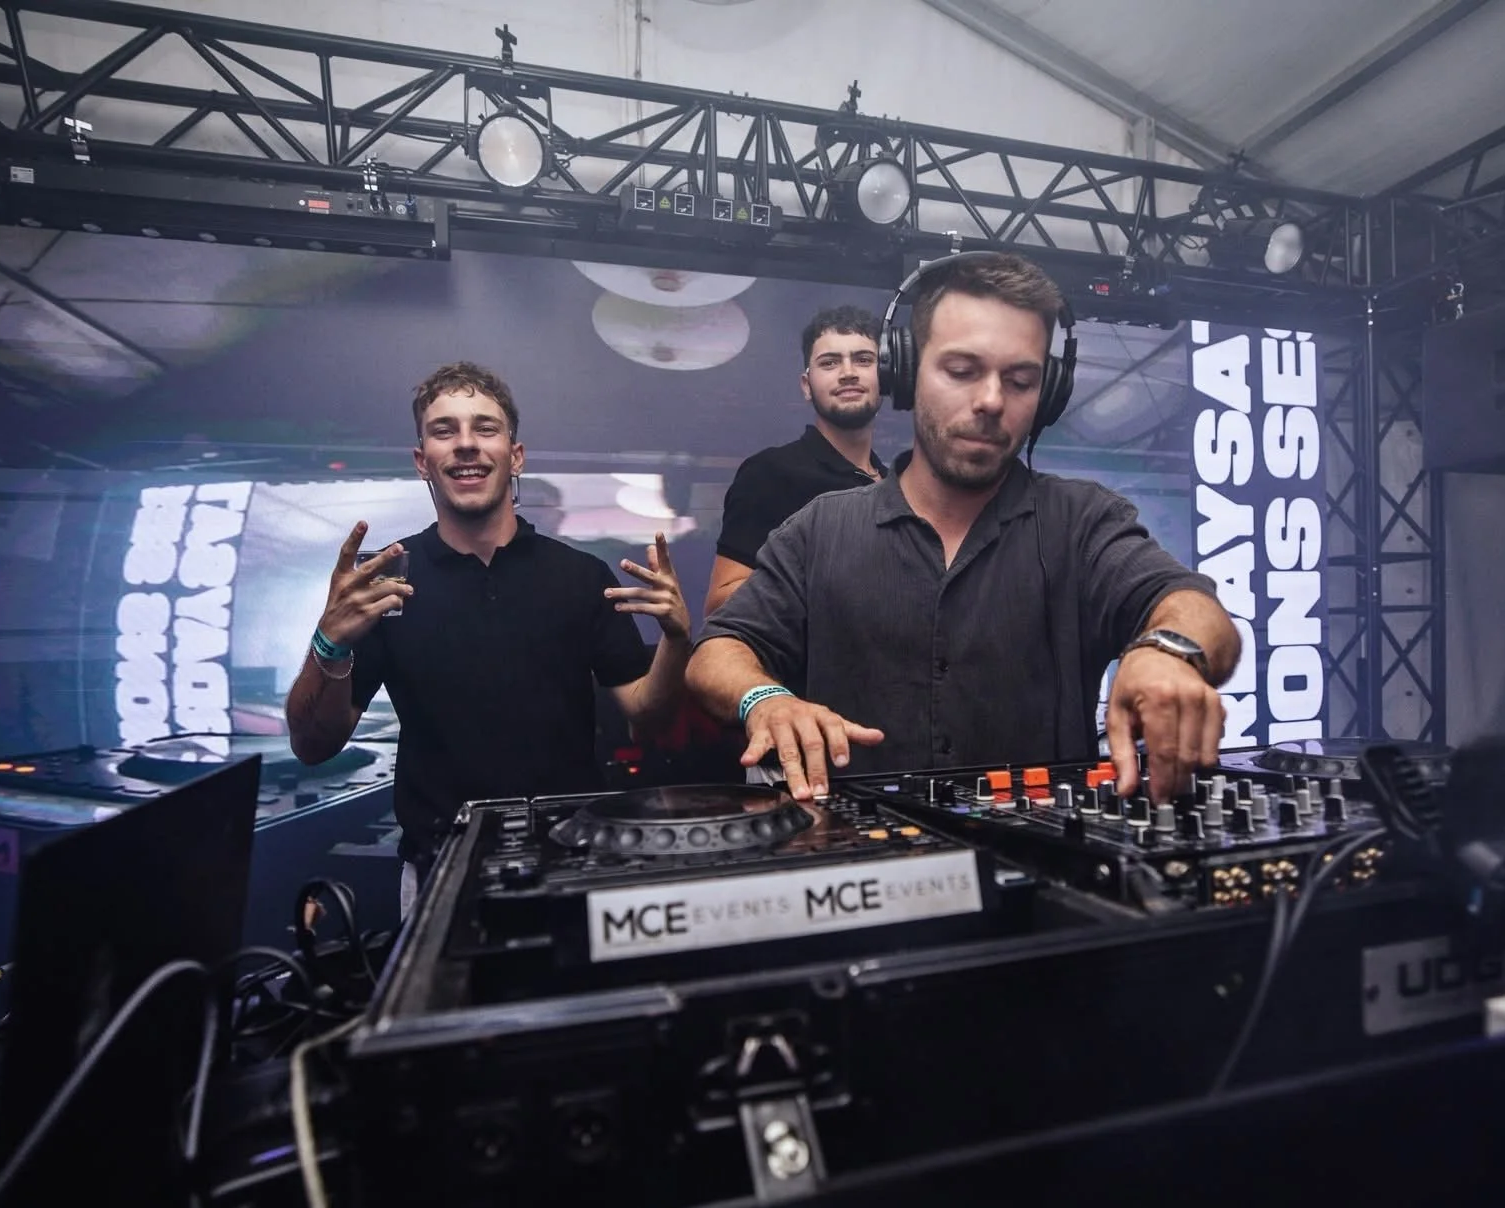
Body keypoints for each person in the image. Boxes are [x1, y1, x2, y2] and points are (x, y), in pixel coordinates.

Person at [687, 252, 1239, 804]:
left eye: (1021, 380)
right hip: (868, 874)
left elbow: (1195, 609)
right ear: (907, 373)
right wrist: (764, 699)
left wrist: (1167, 651)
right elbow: (718, 652)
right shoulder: (820, 529)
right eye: (961, 371)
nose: (992, 401)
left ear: (1047, 394)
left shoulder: (1083, 522)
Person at [285, 361, 693, 917]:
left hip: (575, 858)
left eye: (485, 428)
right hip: (439, 872)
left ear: (515, 455)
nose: (466, 445)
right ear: (422, 461)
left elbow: (649, 717)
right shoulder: (386, 584)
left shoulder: (580, 577)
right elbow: (314, 746)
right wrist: (328, 643)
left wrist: (675, 640)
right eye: (444, 430)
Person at [705, 305, 888, 615]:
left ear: (887, 377)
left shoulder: (900, 486)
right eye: (829, 363)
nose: (848, 373)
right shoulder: (770, 474)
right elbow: (720, 604)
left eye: (863, 360)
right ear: (807, 386)